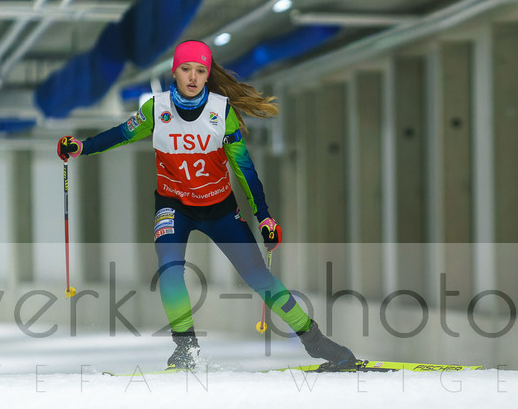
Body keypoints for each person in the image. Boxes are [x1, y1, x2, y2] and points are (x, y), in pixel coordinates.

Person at [58, 40, 357, 371]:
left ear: (206, 75)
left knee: (260, 278)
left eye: (200, 70)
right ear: (175, 71)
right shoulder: (156, 110)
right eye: (186, 69)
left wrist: (265, 217)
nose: (192, 77)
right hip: (174, 206)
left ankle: (315, 342)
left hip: (220, 209)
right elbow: (120, 134)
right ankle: (185, 347)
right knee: (170, 271)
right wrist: (81, 147)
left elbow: (244, 169)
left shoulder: (222, 111)